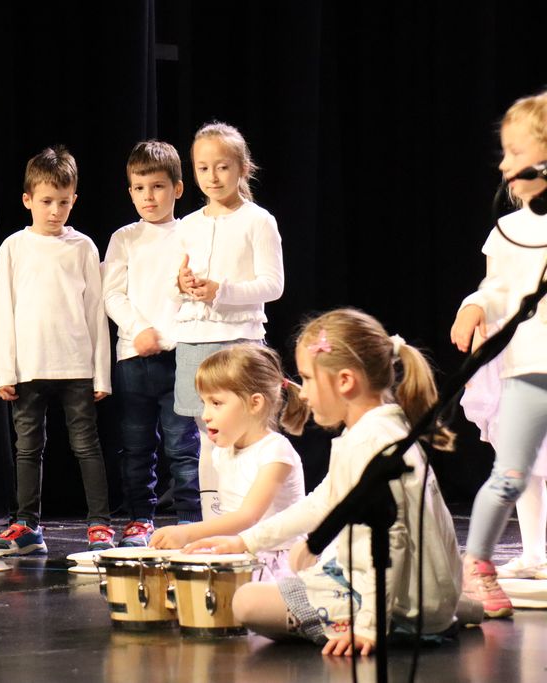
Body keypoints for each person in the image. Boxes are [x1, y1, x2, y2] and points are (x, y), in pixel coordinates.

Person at [197, 309, 462, 656]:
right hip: (415, 593)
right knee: (297, 569)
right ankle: (447, 611)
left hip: (400, 606)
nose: (303, 393)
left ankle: (422, 621)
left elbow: (390, 539)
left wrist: (368, 627)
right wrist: (245, 541)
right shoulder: (373, 431)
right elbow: (324, 502)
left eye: (307, 379)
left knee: (246, 602)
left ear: (345, 381)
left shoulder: (371, 442)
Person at [450, 90, 547, 616]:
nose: (505, 164)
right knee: (512, 472)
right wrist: (474, 306)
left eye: (516, 151)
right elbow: (496, 287)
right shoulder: (510, 229)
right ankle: (481, 566)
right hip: (529, 368)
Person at [0, 145, 114, 554]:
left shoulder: (83, 246)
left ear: (74, 199)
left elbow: (96, 312)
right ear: (28, 200)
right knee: (27, 448)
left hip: (76, 366)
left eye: (63, 202)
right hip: (29, 366)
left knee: (86, 445)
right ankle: (27, 524)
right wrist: (4, 371)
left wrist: (101, 373)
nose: (55, 210)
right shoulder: (13, 247)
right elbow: (3, 311)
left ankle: (99, 524)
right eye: (46, 201)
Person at [171, 122, 284, 520]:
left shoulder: (258, 220)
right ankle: (215, 519)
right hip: (194, 340)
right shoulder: (187, 225)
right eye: (203, 168)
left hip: (239, 340)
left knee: (249, 434)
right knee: (208, 436)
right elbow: (175, 284)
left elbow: (273, 285)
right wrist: (182, 284)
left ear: (242, 168)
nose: (213, 177)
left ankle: (257, 517)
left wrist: (222, 290)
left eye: (222, 167)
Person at [102, 140, 201, 546]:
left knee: (183, 444)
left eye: (158, 187)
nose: (149, 196)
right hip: (133, 358)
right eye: (140, 188)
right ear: (130, 192)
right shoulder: (124, 238)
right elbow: (112, 295)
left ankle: (190, 520)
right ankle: (140, 518)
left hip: (181, 355)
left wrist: (169, 335)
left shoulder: (192, 233)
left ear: (177, 188)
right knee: (136, 446)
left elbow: (195, 293)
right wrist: (140, 328)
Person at [148, 344, 306, 579]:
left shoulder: (275, 451)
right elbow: (226, 518)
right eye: (204, 403)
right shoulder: (222, 452)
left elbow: (248, 517)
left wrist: (188, 533)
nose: (205, 415)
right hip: (241, 553)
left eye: (216, 403)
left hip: (276, 560)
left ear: (255, 403)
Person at [460, 339, 547, 581]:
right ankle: (533, 556)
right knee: (526, 466)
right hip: (516, 356)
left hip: (532, 356)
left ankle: (530, 557)